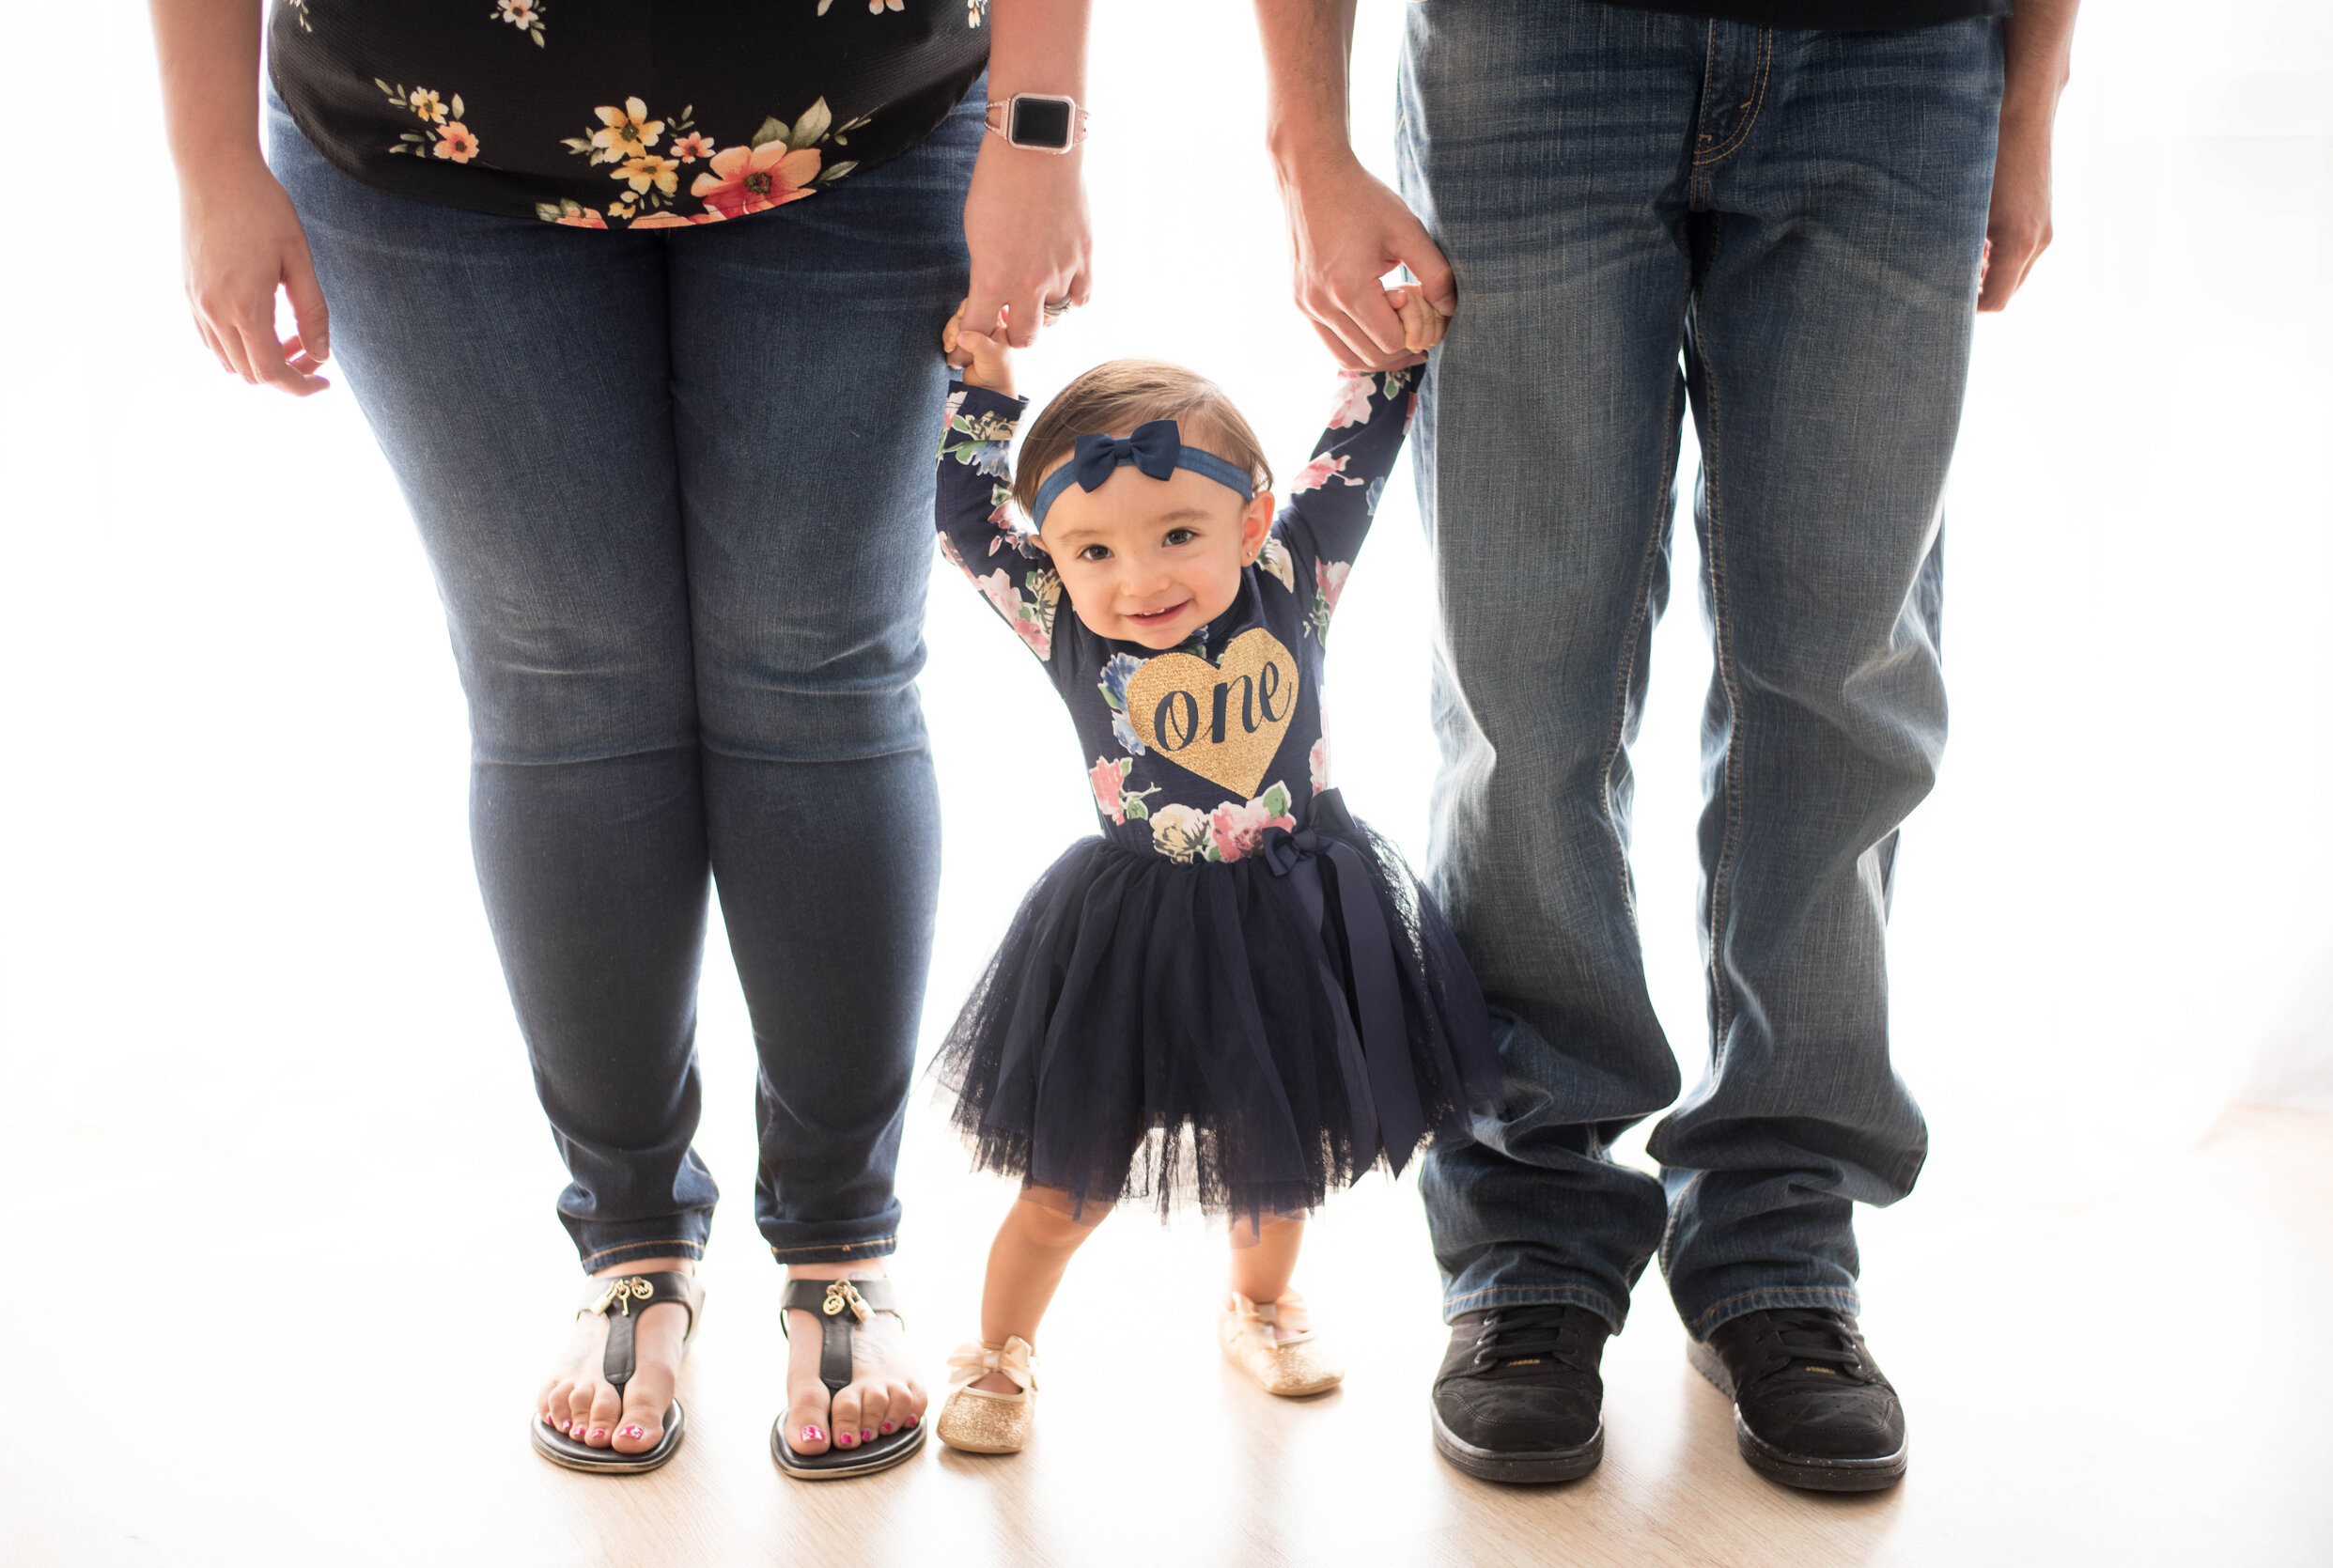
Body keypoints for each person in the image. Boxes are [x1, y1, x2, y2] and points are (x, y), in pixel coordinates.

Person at [148, 0, 1093, 1480]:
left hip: (858, 111)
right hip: (420, 133)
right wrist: (208, 158)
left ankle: (839, 1238)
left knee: (820, 674)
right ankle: (631, 1238)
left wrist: (1043, 124)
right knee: (562, 684)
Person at [1255, 0, 2077, 1490]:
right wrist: (1306, 139)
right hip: (1530, 51)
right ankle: (1529, 1242)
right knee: (1523, 685)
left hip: (1902, 63)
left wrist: (2033, 100)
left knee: (1843, 683)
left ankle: (1780, 1239)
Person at [923, 303, 1501, 1454]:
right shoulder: (1059, 623)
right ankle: (998, 1349)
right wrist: (983, 398)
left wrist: (1387, 354)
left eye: (1176, 533)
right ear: (1053, 559)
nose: (1137, 576)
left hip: (1292, 909)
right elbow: (960, 519)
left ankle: (1260, 1303)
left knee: (1275, 1151)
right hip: (1132, 929)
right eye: (1093, 549)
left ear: (1248, 525)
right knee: (1065, 1175)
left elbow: (1359, 454)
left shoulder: (1295, 577)